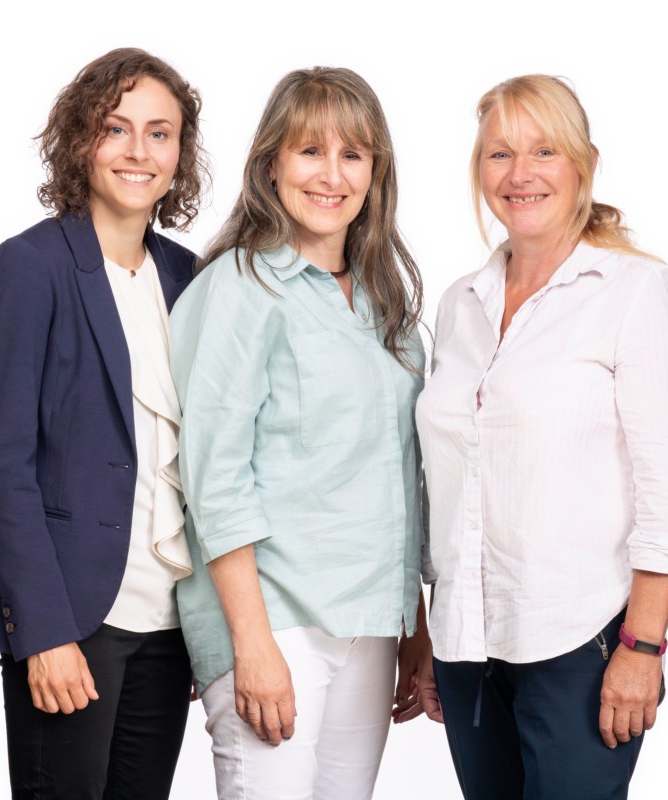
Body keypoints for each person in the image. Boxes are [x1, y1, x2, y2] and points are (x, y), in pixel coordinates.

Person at [415, 75, 668, 800]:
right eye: (500, 154)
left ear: (585, 163)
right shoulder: (460, 303)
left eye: (544, 150)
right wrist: (436, 630)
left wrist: (643, 646)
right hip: (466, 647)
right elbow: (446, 481)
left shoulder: (635, 291)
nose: (521, 174)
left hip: (582, 642)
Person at [169, 66, 430, 800]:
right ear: (271, 165)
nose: (331, 174)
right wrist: (250, 644)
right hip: (274, 619)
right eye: (310, 150)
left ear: (375, 172)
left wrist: (414, 629)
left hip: (372, 621)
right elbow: (214, 478)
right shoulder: (239, 288)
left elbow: (402, 476)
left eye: (353, 154)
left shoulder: (388, 308)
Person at [0, 48, 207, 799]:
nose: (139, 151)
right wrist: (43, 631)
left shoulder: (188, 276)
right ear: (80, 139)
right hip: (72, 618)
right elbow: (3, 467)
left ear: (179, 154)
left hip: (169, 625)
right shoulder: (30, 266)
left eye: (159, 133)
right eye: (116, 128)